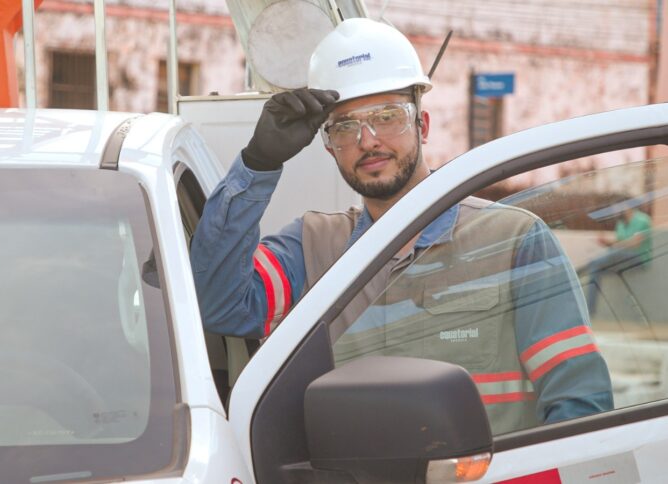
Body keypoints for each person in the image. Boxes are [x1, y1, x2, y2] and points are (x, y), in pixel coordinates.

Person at [189, 18, 612, 434]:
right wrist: (258, 163)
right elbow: (221, 305)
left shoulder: (512, 240)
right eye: (346, 126)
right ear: (328, 145)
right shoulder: (311, 247)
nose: (368, 140)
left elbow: (578, 409)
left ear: (422, 126)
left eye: (388, 116)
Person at [585, 204, 653, 313]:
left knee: (611, 254)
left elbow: (635, 244)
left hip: (638, 259)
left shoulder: (643, 219)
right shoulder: (621, 223)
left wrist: (615, 245)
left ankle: (588, 264)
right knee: (595, 270)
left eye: (620, 207)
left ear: (629, 206)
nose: (617, 211)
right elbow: (619, 242)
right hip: (622, 260)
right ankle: (589, 310)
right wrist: (606, 242)